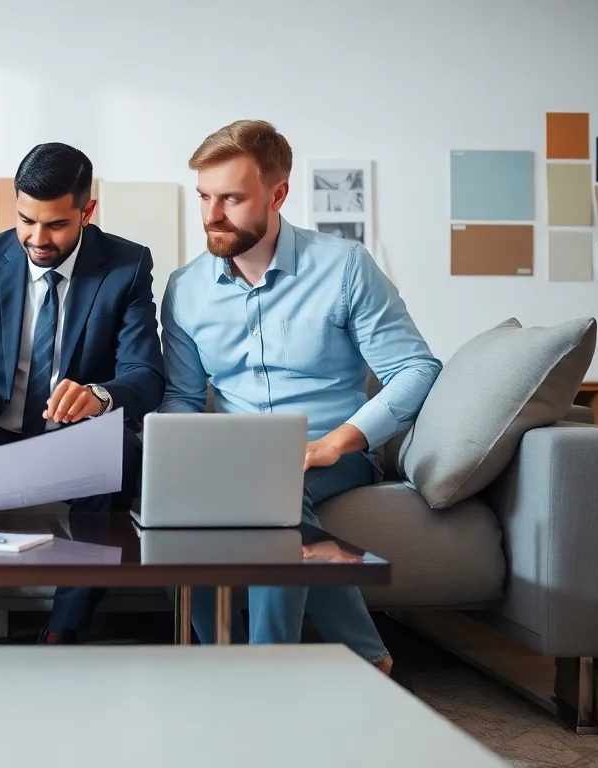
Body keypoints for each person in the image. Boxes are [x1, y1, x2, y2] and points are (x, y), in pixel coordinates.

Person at [159, 120, 441, 674]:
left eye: (231, 199)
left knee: (271, 493)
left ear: (278, 194)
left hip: (334, 453)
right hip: (232, 457)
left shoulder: (344, 267)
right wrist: (177, 453)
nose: (212, 215)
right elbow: (182, 397)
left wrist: (336, 443)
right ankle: (234, 666)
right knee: (179, 506)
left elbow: (415, 368)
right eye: (204, 197)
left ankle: (272, 674)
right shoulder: (185, 289)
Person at [0, 142, 165, 644]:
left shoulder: (127, 264)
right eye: (26, 220)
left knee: (118, 450)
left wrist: (100, 396)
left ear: (87, 211)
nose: (36, 238)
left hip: (74, 438)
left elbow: (145, 375)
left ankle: (61, 633)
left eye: (55, 225)